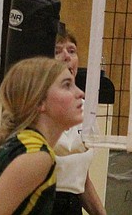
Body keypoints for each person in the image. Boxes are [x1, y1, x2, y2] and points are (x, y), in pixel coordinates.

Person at [0, 56, 85, 215]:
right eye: (67, 85)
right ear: (39, 102)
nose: (80, 93)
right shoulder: (36, 155)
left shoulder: (27, 143)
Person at [53, 27, 106, 215]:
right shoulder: (33, 109)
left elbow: (81, 180)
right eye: (57, 51)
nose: (66, 56)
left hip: (71, 208)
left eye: (71, 50)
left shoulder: (85, 110)